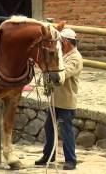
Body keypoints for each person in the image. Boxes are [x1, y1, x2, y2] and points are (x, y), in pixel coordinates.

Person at [35, 28, 83, 170]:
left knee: (65, 131)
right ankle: (48, 155)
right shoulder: (63, 55)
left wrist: (49, 71)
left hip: (66, 102)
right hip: (56, 101)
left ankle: (71, 160)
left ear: (67, 42)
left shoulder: (75, 58)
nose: (60, 44)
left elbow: (62, 75)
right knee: (49, 128)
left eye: (61, 41)